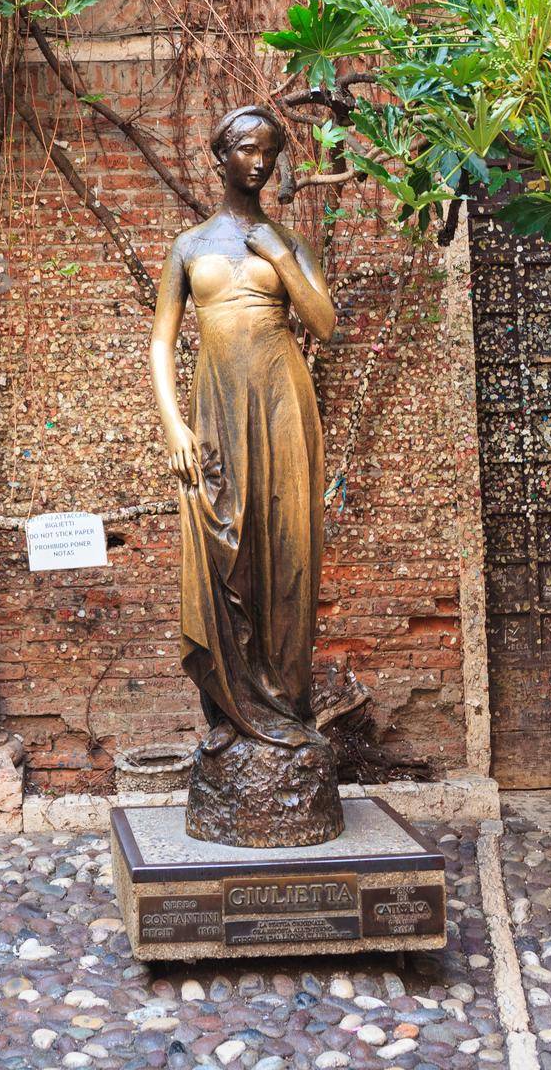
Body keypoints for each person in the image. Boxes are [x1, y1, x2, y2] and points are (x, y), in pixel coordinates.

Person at [149, 105, 337, 766]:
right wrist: (174, 423)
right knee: (223, 553)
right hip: (215, 410)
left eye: (270, 153)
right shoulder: (190, 246)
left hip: (282, 404)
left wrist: (282, 257)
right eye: (247, 150)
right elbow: (161, 344)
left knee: (285, 552)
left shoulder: (284, 240)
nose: (260, 164)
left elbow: (323, 322)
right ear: (220, 154)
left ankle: (283, 701)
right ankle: (230, 711)